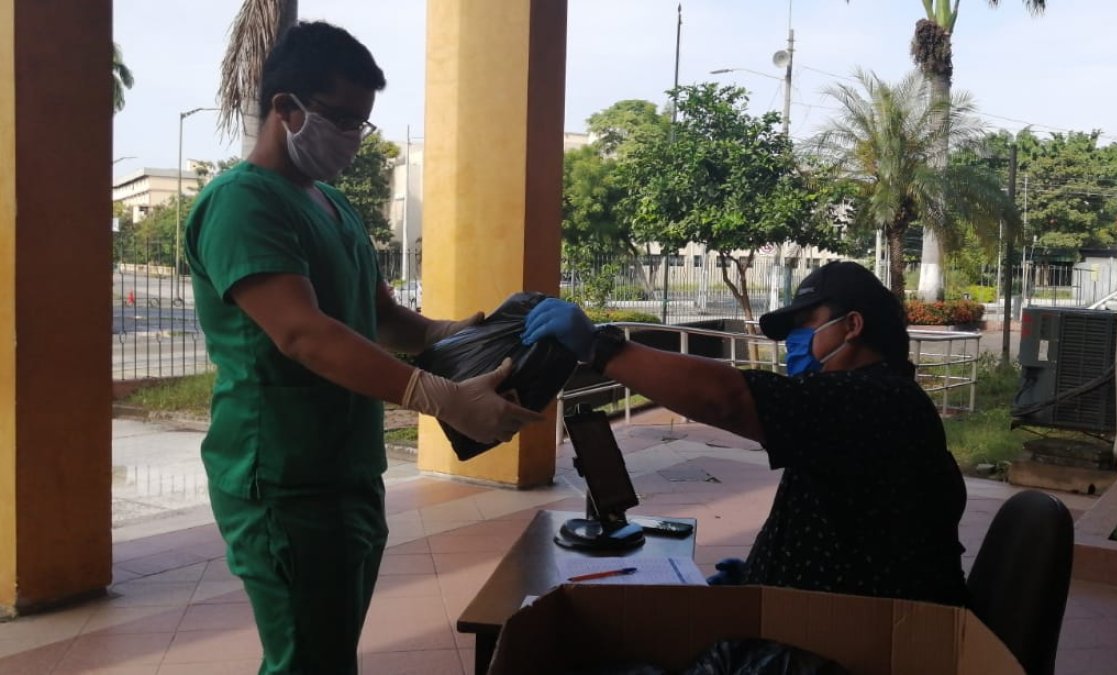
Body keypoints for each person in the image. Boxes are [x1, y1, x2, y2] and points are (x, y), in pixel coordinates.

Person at [185, 21, 541, 674]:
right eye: (340, 119)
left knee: (328, 649)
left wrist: (458, 333)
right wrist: (443, 399)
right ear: (284, 108)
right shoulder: (242, 204)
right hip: (281, 478)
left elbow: (379, 317)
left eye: (360, 124)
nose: (351, 138)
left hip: (345, 466)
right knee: (306, 658)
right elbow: (302, 333)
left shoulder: (332, 206)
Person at [523, 261, 968, 605]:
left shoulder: (874, 401)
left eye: (806, 325)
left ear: (852, 326)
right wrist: (760, 574)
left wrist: (599, 348)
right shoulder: (870, 403)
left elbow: (729, 399)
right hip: (819, 620)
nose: (794, 341)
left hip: (849, 647)